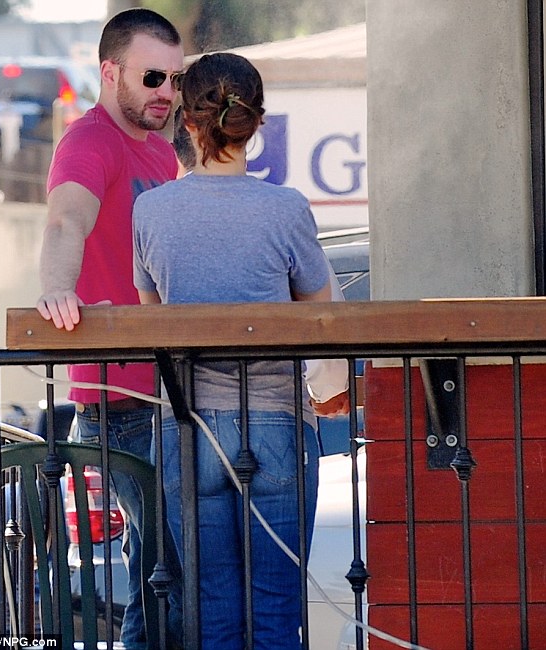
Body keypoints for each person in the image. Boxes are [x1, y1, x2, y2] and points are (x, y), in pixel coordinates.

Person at [132, 52, 348, 650]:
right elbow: (321, 316)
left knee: (214, 609)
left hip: (188, 426)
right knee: (277, 609)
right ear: (255, 123)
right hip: (277, 419)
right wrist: (331, 392)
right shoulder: (287, 210)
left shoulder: (151, 211)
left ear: (188, 122)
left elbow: (154, 321)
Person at [35, 8, 184, 649]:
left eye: (176, 80)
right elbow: (67, 219)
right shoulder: (91, 140)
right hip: (119, 398)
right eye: (154, 77)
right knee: (163, 570)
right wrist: (56, 289)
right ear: (110, 71)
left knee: (168, 568)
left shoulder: (158, 151)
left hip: (163, 389)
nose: (168, 94)